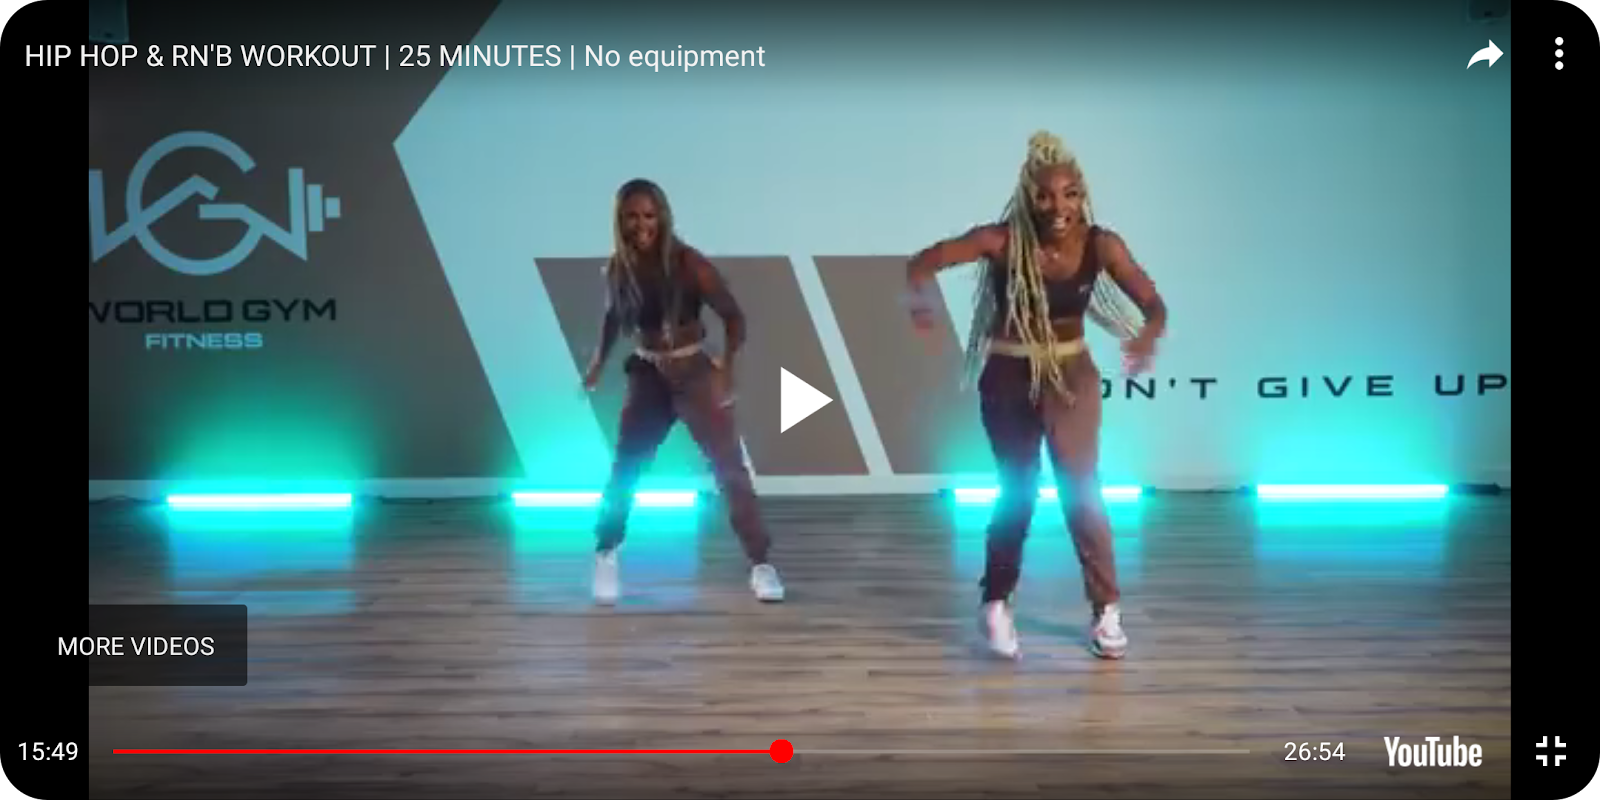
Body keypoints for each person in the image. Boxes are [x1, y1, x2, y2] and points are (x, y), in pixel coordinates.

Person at [903, 132, 1168, 659]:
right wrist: (921, 305)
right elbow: (922, 263)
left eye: (1069, 194)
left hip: (1071, 377)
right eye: (1044, 195)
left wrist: (1146, 336)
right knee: (1017, 491)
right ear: (1028, 196)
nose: (1058, 206)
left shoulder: (1102, 245)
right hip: (1008, 375)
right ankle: (996, 602)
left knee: (1081, 490)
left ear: (1082, 194)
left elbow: (1155, 306)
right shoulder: (999, 241)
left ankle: (1106, 610)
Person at [582, 178, 785, 605]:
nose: (641, 225)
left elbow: (734, 316)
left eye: (649, 216)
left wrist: (727, 369)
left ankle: (761, 565)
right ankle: (606, 553)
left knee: (730, 470)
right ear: (620, 220)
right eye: (632, 217)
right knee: (626, 466)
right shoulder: (619, 269)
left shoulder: (689, 263)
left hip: (694, 372)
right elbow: (613, 317)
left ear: (662, 217)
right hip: (648, 374)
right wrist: (597, 363)